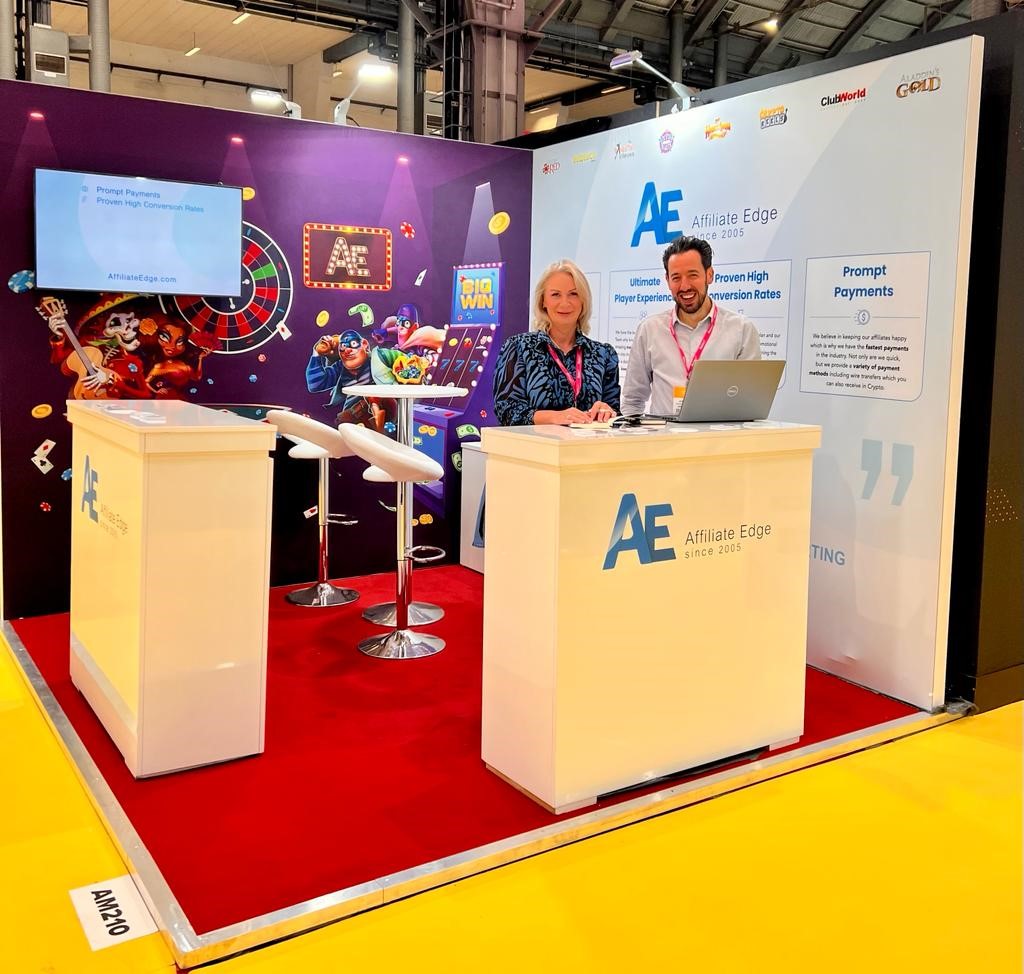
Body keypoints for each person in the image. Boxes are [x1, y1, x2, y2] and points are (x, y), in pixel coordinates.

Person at [621, 235, 761, 416]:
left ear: (709, 275)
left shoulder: (741, 330)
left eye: (693, 275)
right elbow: (632, 400)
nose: (684, 286)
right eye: (676, 277)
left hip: (718, 433)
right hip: (664, 433)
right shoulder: (650, 330)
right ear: (667, 280)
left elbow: (750, 401)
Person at [493, 260, 620, 426]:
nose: (565, 303)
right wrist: (555, 417)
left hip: (588, 442)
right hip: (535, 443)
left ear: (583, 301)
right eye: (555, 295)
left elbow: (615, 412)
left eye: (573, 294)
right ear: (543, 301)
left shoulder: (604, 355)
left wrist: (607, 411)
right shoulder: (518, 348)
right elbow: (506, 410)